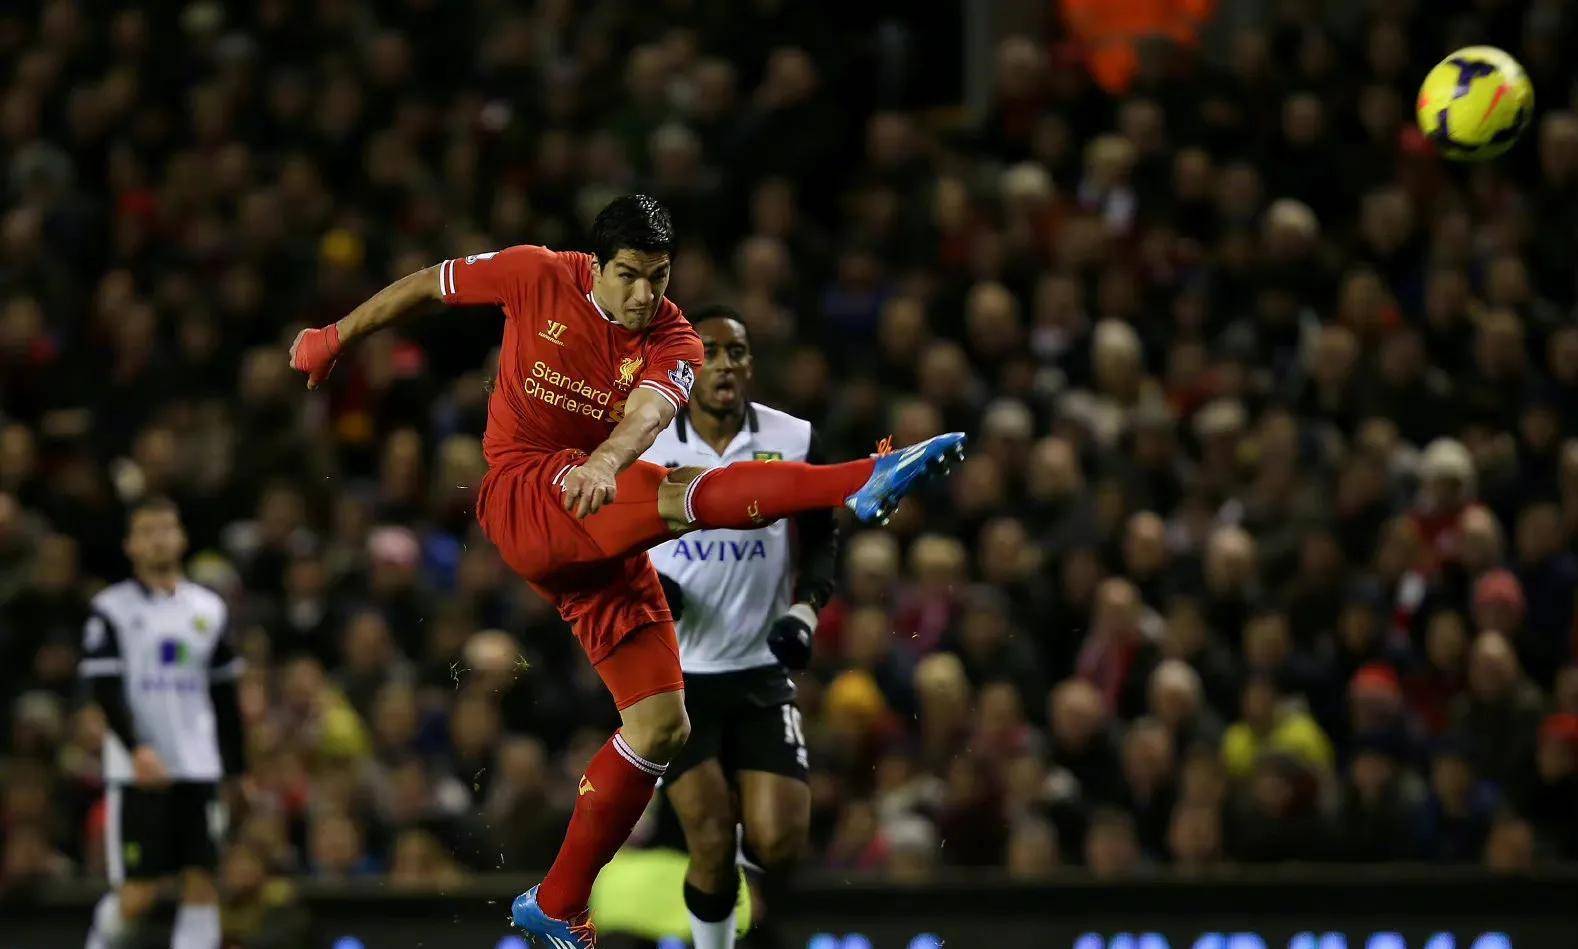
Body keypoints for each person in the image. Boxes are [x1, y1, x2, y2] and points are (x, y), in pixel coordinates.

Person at [288, 195, 964, 947]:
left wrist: (607, 460)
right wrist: (335, 336)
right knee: (684, 495)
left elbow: (648, 413)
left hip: (593, 512)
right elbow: (426, 286)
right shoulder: (535, 274)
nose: (646, 294)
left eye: (660, 276)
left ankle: (556, 901)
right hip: (524, 491)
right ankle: (861, 477)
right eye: (631, 275)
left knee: (661, 725)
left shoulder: (676, 339)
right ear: (596, 265)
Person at [641, 308, 834, 949]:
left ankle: (744, 870)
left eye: (737, 352)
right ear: (685, 367)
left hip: (759, 671)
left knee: (780, 843)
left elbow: (822, 539)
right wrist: (647, 590)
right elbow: (603, 539)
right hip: (674, 680)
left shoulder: (793, 439)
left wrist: (805, 610)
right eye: (710, 353)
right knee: (709, 837)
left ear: (751, 365)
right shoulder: (646, 442)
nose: (724, 365)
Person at [81, 498, 246, 949]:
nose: (158, 539)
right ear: (130, 545)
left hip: (199, 765)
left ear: (182, 538)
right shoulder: (110, 610)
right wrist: (137, 748)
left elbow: (224, 696)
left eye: (166, 529)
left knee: (202, 881)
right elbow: (105, 690)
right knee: (139, 895)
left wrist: (236, 769)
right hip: (139, 772)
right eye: (147, 531)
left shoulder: (209, 609)